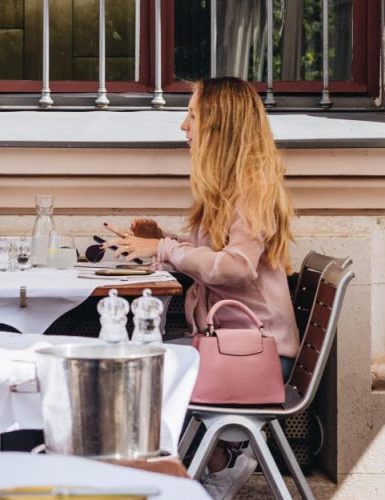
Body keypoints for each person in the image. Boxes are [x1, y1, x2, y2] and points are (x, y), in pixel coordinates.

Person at [102, 77, 298, 500]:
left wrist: (167, 249)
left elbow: (236, 268)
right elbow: (216, 256)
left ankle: (175, 477)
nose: (183, 126)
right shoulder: (232, 188)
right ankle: (217, 463)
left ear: (218, 124)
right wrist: (165, 238)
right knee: (137, 365)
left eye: (192, 114)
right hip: (232, 346)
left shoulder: (253, 188)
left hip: (255, 357)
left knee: (136, 373)